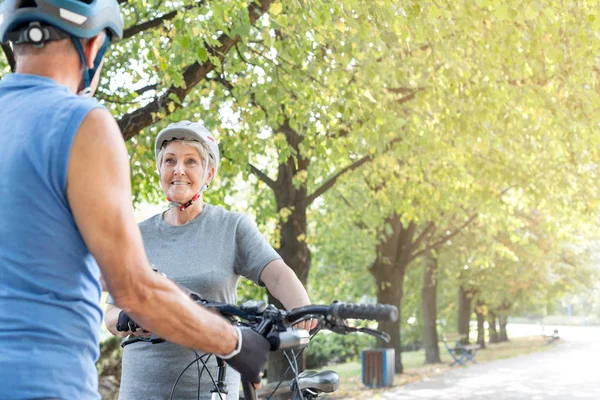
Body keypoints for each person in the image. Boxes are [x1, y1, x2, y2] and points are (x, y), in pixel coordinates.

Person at [0, 1, 269, 399]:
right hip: (43, 384)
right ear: (92, 45)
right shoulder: (81, 122)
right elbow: (133, 290)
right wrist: (236, 343)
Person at [104, 121, 317, 399]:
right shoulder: (136, 235)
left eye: (190, 161)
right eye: (170, 160)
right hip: (142, 389)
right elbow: (110, 315)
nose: (178, 169)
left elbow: (277, 275)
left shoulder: (232, 227)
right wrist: (127, 319)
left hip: (212, 386)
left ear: (209, 173)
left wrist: (305, 311)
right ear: (160, 169)